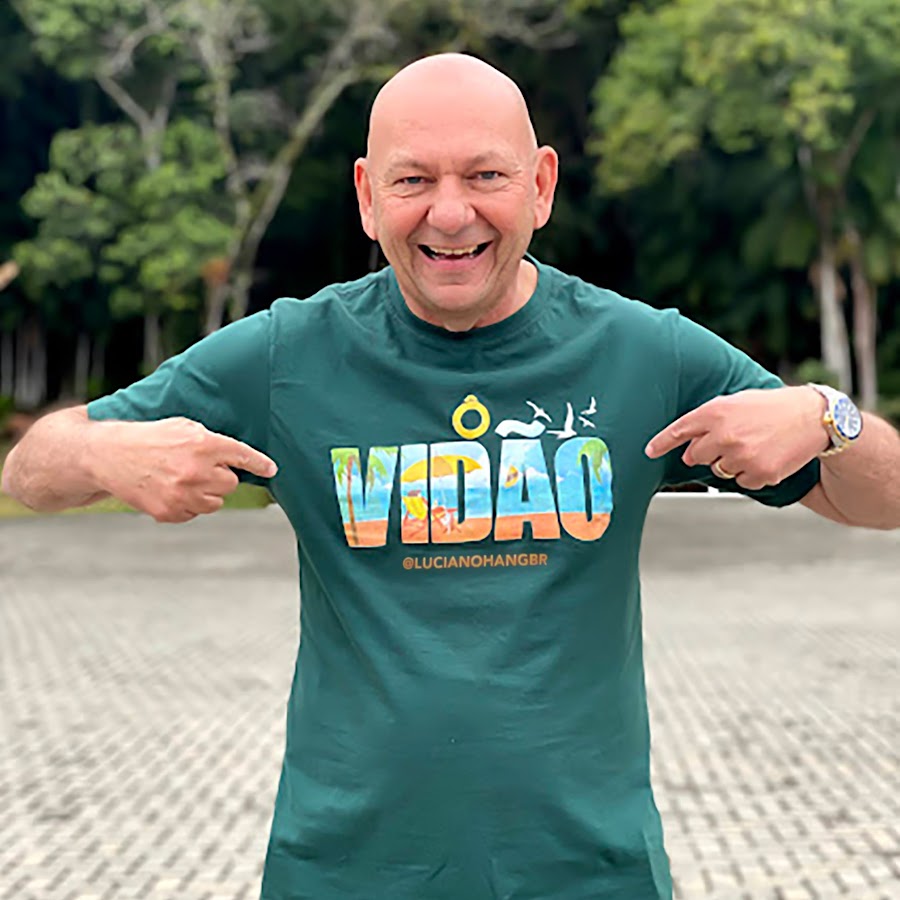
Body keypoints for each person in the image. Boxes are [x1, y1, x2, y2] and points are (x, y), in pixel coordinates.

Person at [3, 53, 899, 900]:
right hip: (347, 872)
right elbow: (30, 471)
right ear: (367, 196)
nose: (450, 213)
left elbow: (883, 498)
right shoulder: (288, 355)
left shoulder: (643, 353)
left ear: (540, 185)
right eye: (413, 181)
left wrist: (827, 417)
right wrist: (101, 454)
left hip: (588, 872)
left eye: (485, 175)